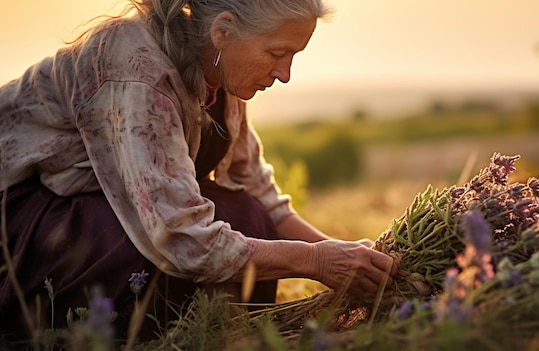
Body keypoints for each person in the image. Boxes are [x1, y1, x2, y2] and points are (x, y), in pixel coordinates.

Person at [0, 0, 397, 341]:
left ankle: (230, 337)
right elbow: (180, 237)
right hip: (24, 223)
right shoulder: (135, 70)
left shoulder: (221, 71)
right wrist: (316, 262)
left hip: (96, 208)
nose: (285, 73)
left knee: (248, 215)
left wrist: (347, 259)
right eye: (277, 53)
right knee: (183, 242)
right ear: (223, 30)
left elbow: (259, 192)